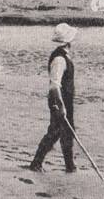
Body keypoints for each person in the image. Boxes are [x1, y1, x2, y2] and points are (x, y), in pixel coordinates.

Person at [29, 23, 77, 173]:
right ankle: (37, 163)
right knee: (56, 131)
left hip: (64, 99)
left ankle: (70, 166)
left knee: (66, 131)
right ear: (68, 42)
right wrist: (60, 106)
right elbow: (54, 85)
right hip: (58, 99)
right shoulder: (59, 59)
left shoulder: (64, 56)